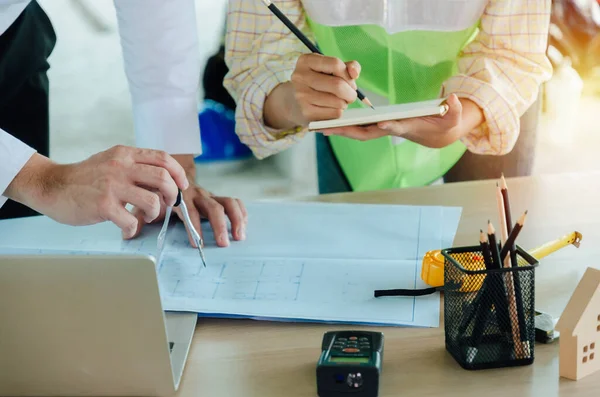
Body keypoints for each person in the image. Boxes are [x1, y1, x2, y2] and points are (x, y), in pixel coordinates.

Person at [223, 0, 554, 194]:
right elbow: (258, 59)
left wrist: (461, 120)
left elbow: (512, 54)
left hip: (484, 113)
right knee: (358, 277)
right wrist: (293, 102)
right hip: (344, 126)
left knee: (488, 283)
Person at [0, 0, 247, 247]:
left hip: (12, 34)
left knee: (14, 250)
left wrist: (173, 172)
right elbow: (38, 182)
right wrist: (43, 180)